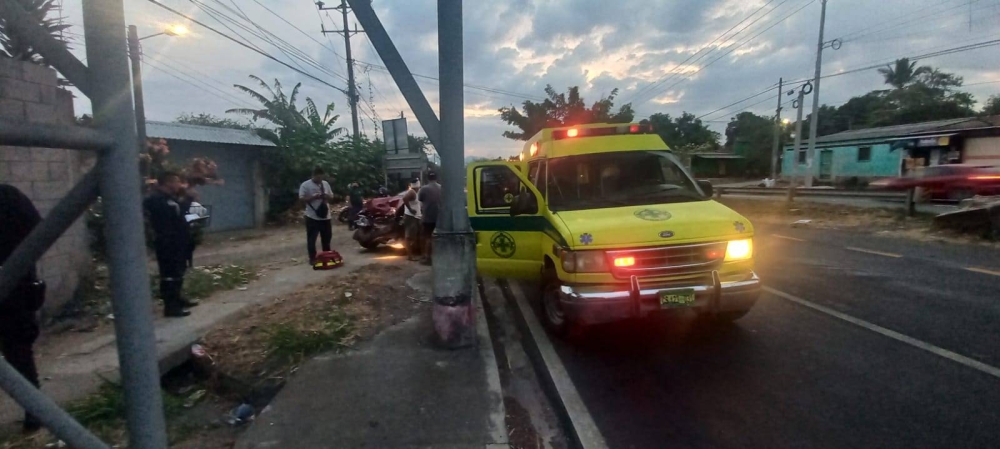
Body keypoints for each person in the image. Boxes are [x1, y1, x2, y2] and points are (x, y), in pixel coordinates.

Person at [0, 184, 45, 433]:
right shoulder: (10, 195)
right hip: (17, 284)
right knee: (19, 352)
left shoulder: (8, 196)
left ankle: (34, 411)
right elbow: (39, 231)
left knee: (18, 351)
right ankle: (34, 411)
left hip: (16, 287)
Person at [145, 171, 197, 317]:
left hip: (179, 241)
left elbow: (191, 216)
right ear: (168, 183)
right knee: (169, 274)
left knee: (179, 270)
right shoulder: (157, 200)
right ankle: (171, 306)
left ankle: (178, 298)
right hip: (167, 242)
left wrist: (190, 201)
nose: (179, 185)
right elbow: (169, 220)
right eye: (176, 182)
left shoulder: (172, 199)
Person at [299, 167, 334, 263]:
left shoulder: (325, 184)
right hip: (312, 216)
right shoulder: (305, 185)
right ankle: (312, 258)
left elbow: (332, 197)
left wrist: (326, 196)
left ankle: (327, 255)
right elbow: (301, 199)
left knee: (327, 238)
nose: (319, 180)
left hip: (326, 216)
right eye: (317, 178)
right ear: (313, 176)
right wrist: (313, 197)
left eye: (321, 178)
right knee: (312, 239)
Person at [418, 172, 442, 265]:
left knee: (428, 237)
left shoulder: (424, 189)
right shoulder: (441, 188)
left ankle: (427, 257)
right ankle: (439, 256)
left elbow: (420, 200)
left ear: (428, 178)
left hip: (428, 217)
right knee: (438, 237)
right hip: (440, 216)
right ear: (436, 178)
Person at [401, 179, 422, 261]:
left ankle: (411, 254)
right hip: (411, 217)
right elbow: (404, 198)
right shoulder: (412, 192)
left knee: (413, 236)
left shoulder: (415, 192)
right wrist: (410, 209)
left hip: (414, 217)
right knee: (409, 237)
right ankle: (410, 255)